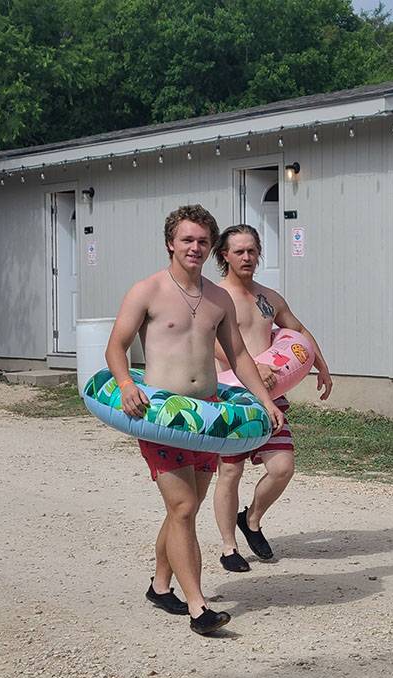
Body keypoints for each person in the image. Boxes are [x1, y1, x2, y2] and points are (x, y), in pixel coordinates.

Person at [105, 206, 284, 635]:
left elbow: (240, 357)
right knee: (184, 507)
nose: (195, 248)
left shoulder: (217, 298)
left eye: (202, 241)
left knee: (185, 508)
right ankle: (199, 608)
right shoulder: (146, 291)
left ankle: (160, 585)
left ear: (210, 247)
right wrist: (127, 383)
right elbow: (116, 346)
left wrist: (266, 401)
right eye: (187, 240)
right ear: (171, 242)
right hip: (160, 415)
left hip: (204, 418)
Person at [211, 224, 332, 572]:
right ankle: (229, 548)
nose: (247, 257)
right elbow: (207, 338)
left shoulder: (269, 298)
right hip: (231, 394)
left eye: (252, 250)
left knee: (282, 467)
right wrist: (245, 366)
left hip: (270, 395)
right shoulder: (215, 297)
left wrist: (321, 365)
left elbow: (299, 331)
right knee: (229, 473)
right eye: (239, 251)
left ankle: (250, 519)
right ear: (225, 255)